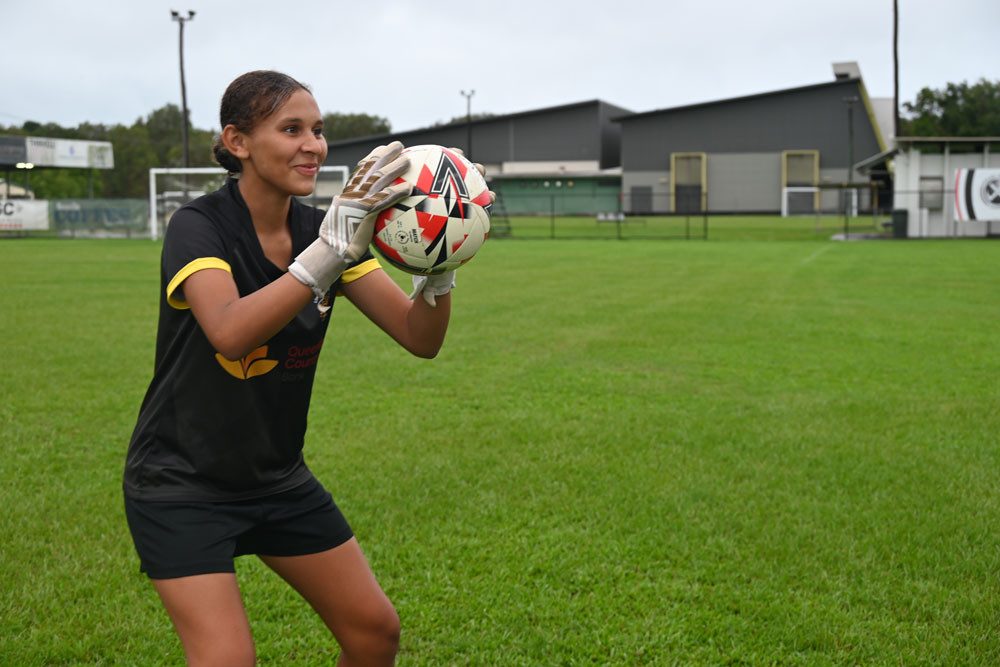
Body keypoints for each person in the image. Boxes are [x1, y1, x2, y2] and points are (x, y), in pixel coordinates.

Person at [123, 70, 489, 666]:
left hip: (276, 478)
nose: (312, 145)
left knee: (374, 633)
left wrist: (440, 262)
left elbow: (418, 337)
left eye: (318, 130)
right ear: (238, 141)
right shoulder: (200, 226)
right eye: (290, 129)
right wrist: (327, 253)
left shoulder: (324, 235)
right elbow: (231, 333)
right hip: (181, 484)